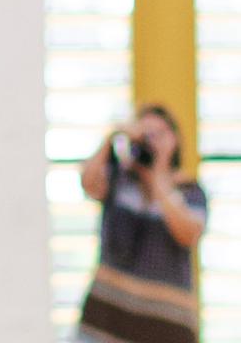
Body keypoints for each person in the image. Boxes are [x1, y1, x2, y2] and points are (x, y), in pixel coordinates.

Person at [77, 104, 209, 343]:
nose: (151, 141)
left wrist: (158, 174)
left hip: (165, 326)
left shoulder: (190, 191)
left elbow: (188, 234)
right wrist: (113, 137)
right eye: (145, 134)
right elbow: (88, 183)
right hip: (107, 321)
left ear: (174, 140)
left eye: (159, 134)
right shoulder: (121, 178)